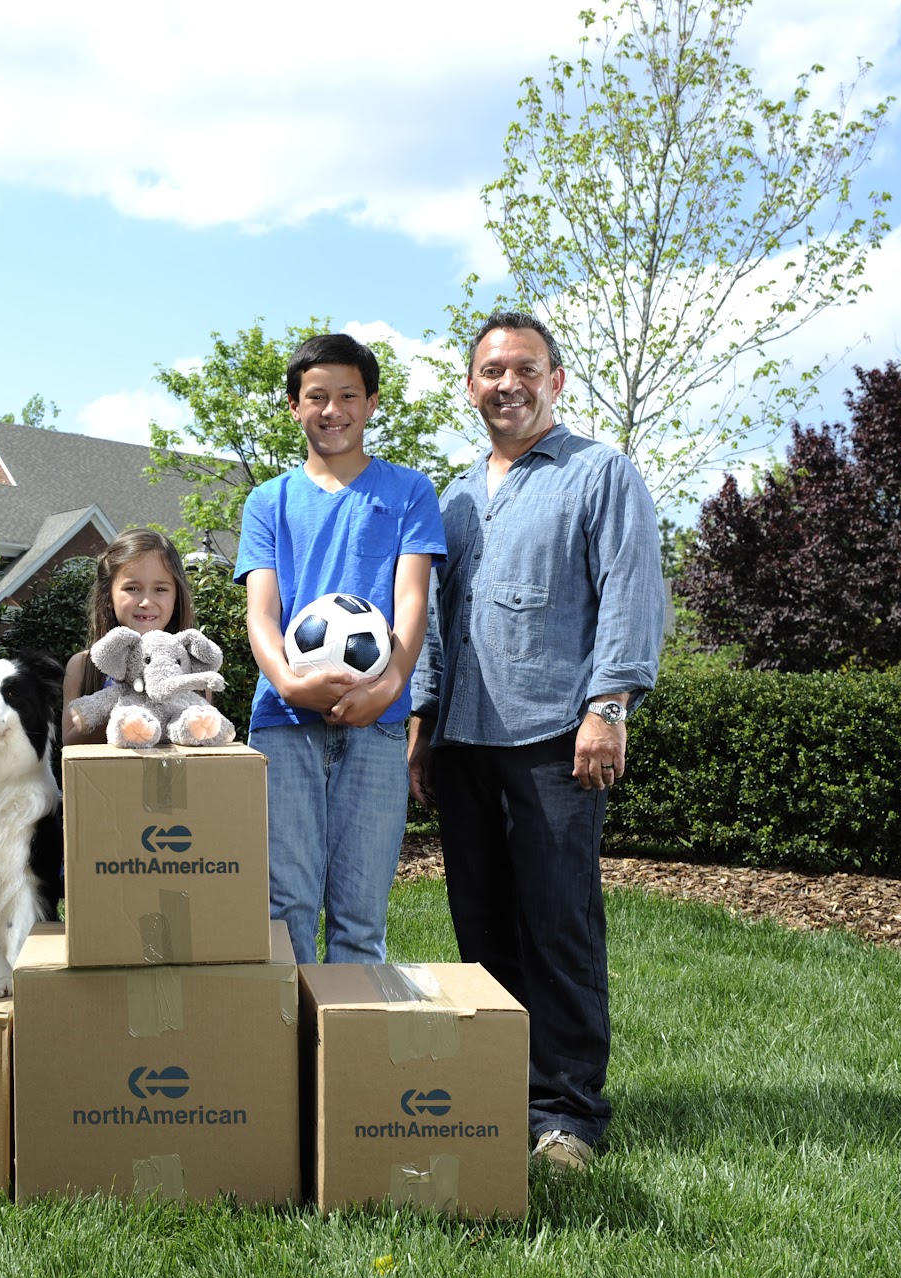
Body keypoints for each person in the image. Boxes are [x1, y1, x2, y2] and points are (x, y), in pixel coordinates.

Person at [407, 311, 666, 1173]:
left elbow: (629, 592)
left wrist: (609, 707)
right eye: (492, 371)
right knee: (480, 925)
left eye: (525, 368)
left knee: (557, 925)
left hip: (557, 735)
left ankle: (567, 1114)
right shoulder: (452, 495)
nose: (507, 384)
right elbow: (432, 619)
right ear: (470, 386)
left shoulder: (600, 473)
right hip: (463, 741)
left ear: (556, 380)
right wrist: (423, 721)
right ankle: (499, 1089)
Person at [235, 332, 444, 965]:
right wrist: (289, 682)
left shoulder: (409, 492)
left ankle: (348, 1032)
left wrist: (389, 686)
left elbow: (412, 600)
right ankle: (288, 1030)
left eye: (349, 395)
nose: (333, 410)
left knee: (360, 916)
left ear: (372, 402)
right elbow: (262, 612)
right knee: (285, 907)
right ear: (294, 406)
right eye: (317, 396)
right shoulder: (268, 501)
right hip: (284, 725)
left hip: (376, 726)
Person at [60, 527, 200, 744]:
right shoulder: (82, 665)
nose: (146, 602)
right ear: (109, 597)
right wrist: (130, 702)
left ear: (176, 598)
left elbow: (205, 733)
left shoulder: (192, 666)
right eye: (132, 588)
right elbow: (70, 742)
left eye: (160, 589)